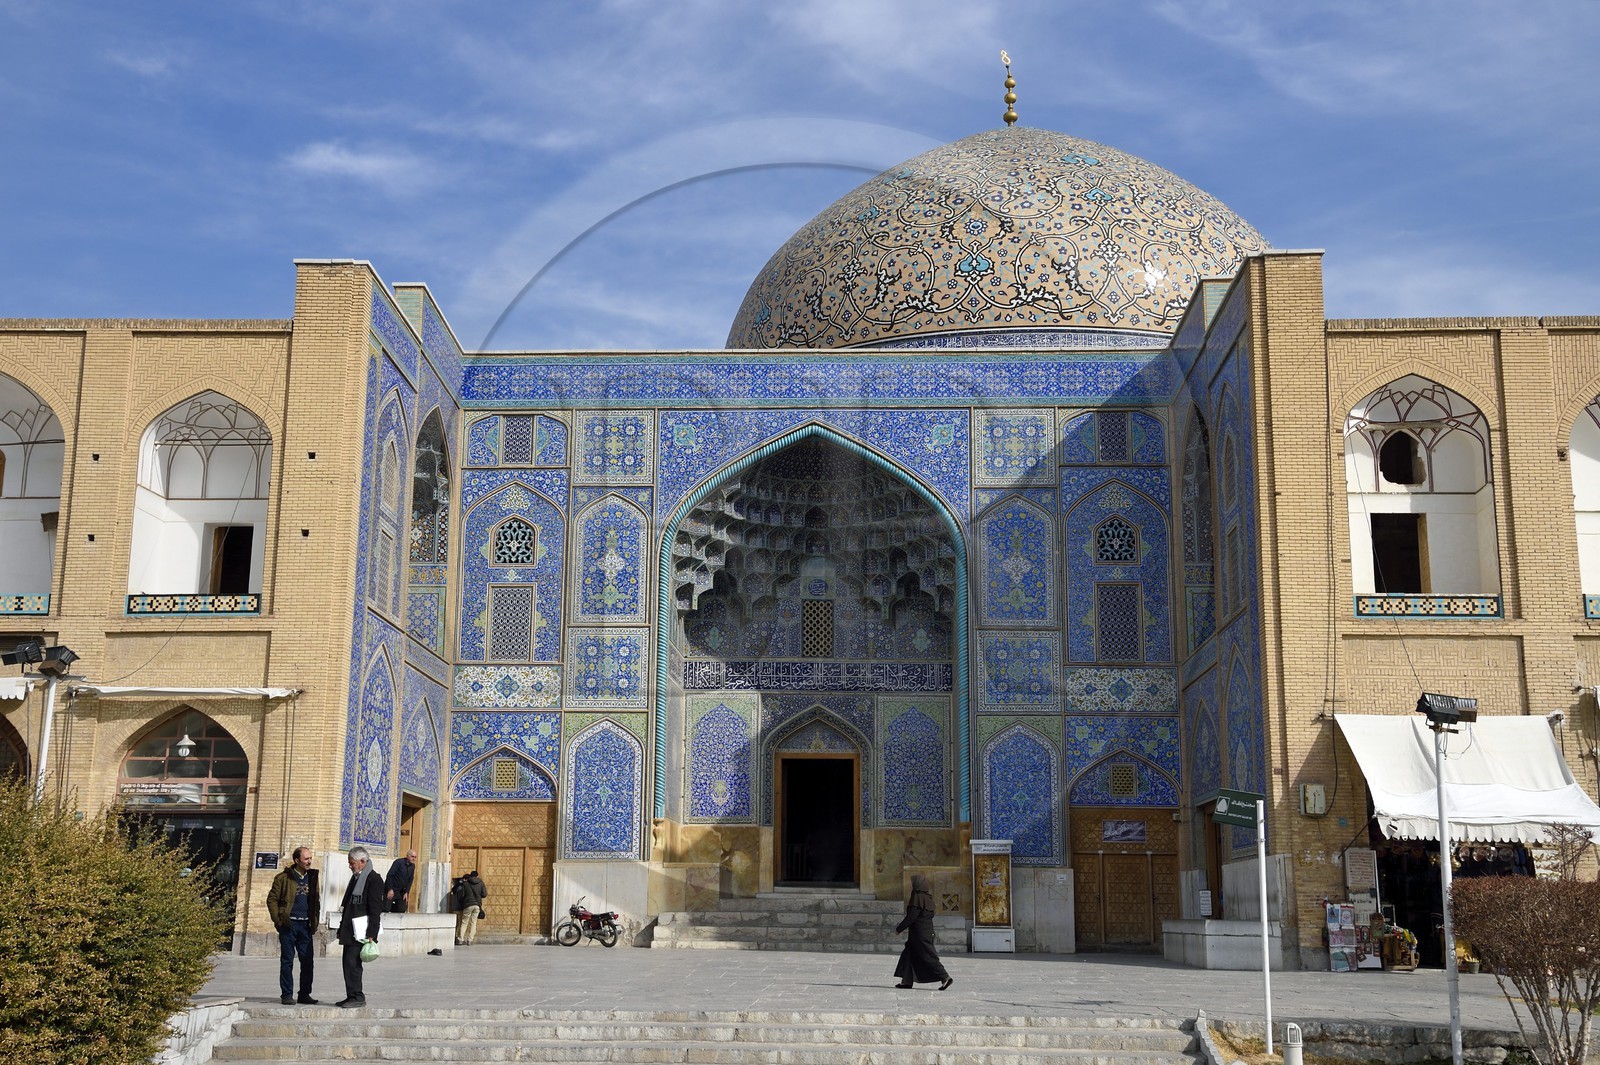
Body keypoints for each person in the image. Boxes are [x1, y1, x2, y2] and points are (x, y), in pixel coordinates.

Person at [264, 846, 319, 1006]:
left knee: (308, 961)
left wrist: (314, 920)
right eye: (306, 859)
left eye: (310, 858)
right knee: (287, 961)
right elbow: (272, 899)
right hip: (289, 924)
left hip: (306, 925)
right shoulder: (283, 878)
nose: (309, 861)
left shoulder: (313, 877)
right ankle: (287, 994)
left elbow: (316, 901)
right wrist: (278, 919)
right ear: (297, 860)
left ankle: (304, 994)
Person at [335, 846, 385, 1008]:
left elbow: (376, 909)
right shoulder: (357, 878)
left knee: (353, 964)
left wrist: (372, 933)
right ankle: (351, 995)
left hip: (361, 930)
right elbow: (348, 905)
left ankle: (358, 996)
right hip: (350, 928)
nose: (350, 866)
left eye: (352, 863)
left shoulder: (373, 879)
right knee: (347, 963)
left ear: (362, 862)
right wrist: (341, 927)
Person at [892, 873, 952, 990]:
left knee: (928, 956)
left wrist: (899, 929)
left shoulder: (917, 897)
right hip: (926, 932)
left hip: (919, 935)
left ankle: (945, 977)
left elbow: (911, 917)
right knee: (909, 954)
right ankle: (907, 981)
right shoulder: (928, 898)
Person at [452, 869, 488, 946]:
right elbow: (484, 894)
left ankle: (460, 939)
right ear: (477, 876)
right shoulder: (481, 883)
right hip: (477, 905)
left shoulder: (466, 883)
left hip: (467, 905)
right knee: (473, 923)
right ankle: (470, 940)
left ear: (471, 875)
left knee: (464, 922)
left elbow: (461, 896)